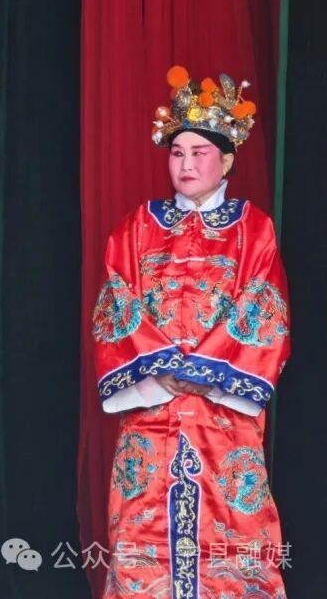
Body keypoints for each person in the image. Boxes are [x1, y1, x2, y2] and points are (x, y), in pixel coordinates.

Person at [93, 66, 288, 598]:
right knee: (141, 538)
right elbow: (116, 307)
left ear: (226, 159)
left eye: (199, 152)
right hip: (150, 414)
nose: (185, 164)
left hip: (223, 418)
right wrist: (161, 374)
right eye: (177, 152)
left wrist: (204, 372)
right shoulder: (137, 227)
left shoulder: (254, 229)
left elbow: (263, 309)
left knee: (235, 540)